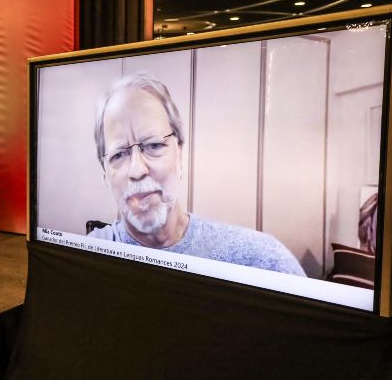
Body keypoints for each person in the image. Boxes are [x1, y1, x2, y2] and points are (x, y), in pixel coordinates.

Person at [89, 74, 306, 276]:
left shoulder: (262, 261)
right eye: (119, 155)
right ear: (105, 175)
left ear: (180, 153)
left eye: (154, 145)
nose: (137, 170)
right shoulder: (85, 258)